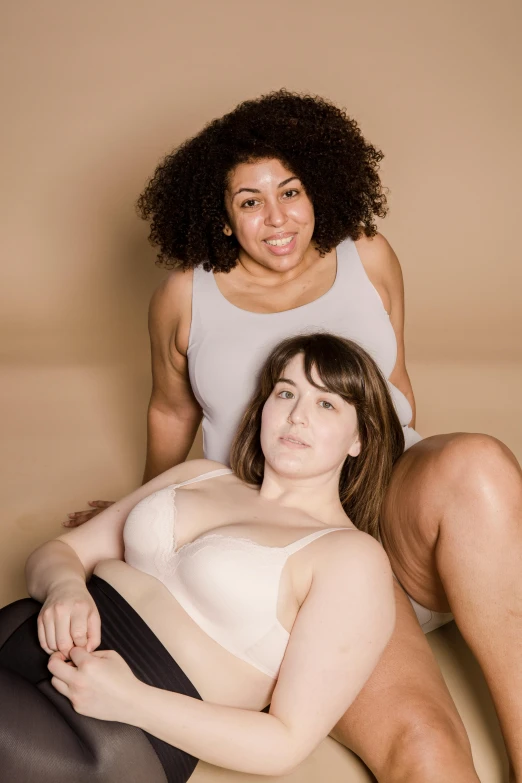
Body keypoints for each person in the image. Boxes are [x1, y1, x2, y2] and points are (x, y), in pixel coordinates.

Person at [66, 90, 522, 782]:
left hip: (390, 507)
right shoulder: (186, 297)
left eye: (291, 190)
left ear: (322, 188)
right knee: (425, 747)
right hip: (291, 550)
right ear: (221, 216)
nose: (276, 217)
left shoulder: (368, 256)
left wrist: (395, 494)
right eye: (250, 201)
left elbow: (393, 385)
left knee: (478, 463)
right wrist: (139, 510)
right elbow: (169, 411)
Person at [0, 333, 397, 782]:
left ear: (359, 438)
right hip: (23, 635)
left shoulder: (352, 559)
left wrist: (130, 700)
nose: (297, 415)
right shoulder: (200, 476)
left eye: (326, 404)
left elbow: (285, 743)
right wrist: (65, 586)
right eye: (285, 392)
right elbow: (60, 552)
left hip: (111, 731)